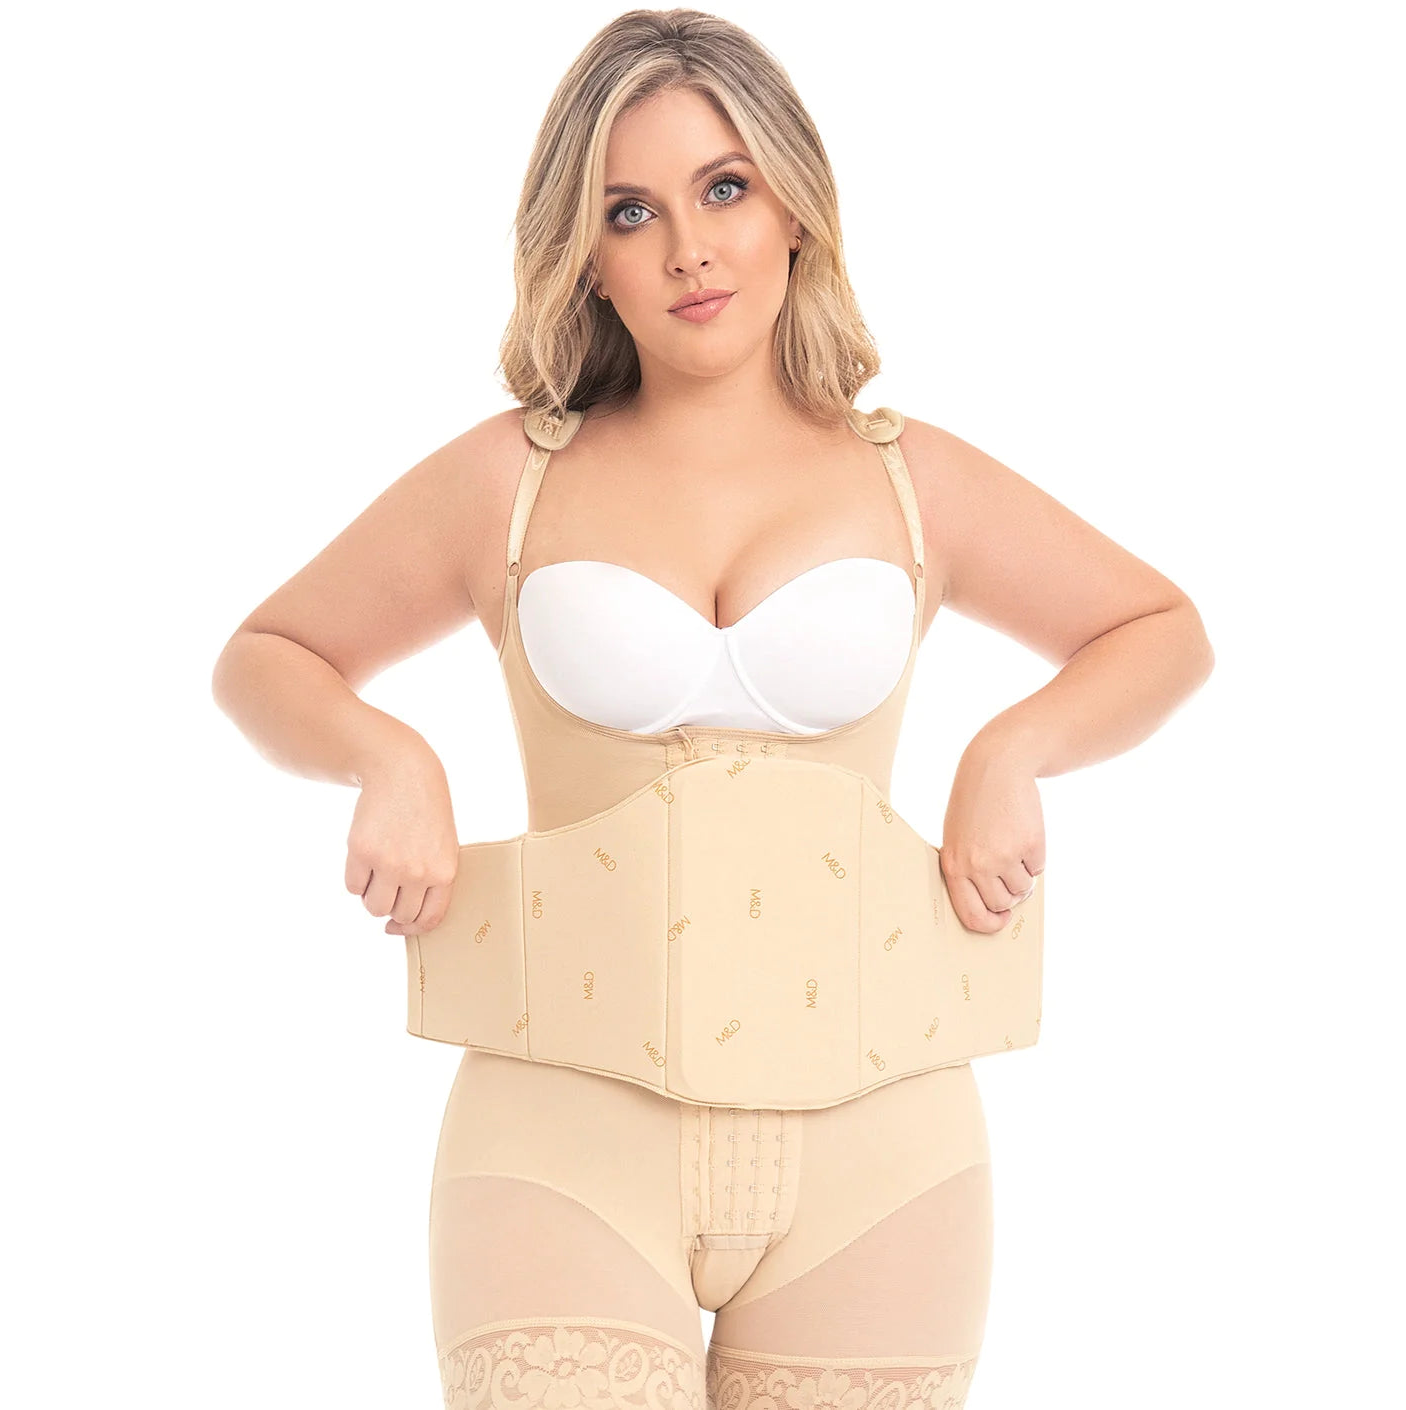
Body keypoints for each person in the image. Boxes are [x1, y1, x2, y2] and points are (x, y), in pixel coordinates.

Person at [211, 10, 1214, 1407]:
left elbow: (1160, 632)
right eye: (632, 211)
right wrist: (390, 757)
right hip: (559, 1135)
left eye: (724, 187)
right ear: (588, 255)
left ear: (793, 207)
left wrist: (1012, 749)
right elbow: (267, 655)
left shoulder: (913, 478)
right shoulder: (510, 480)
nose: (688, 247)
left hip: (886, 1150)